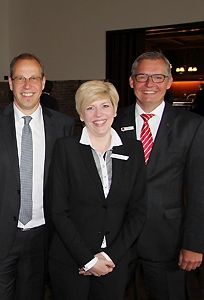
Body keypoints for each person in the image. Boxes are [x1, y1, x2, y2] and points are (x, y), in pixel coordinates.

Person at [0, 53, 75, 300]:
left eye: (33, 78)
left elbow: (68, 187)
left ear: (44, 82)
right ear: (10, 83)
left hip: (42, 238)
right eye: (21, 78)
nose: (27, 86)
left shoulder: (63, 126)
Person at [113, 52, 204, 300]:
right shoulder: (111, 122)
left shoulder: (192, 126)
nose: (149, 84)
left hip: (168, 239)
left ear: (169, 81)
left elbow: (199, 189)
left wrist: (195, 243)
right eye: (142, 76)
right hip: (117, 237)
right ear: (131, 81)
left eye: (157, 77)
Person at [48, 80, 147, 299]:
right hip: (71, 261)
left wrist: (109, 257)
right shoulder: (65, 149)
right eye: (90, 107)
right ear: (81, 114)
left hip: (115, 262)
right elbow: (58, 211)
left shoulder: (134, 150)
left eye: (105, 106)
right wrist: (88, 260)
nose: (98, 114)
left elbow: (138, 211)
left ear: (115, 110)